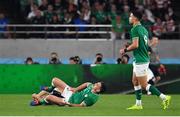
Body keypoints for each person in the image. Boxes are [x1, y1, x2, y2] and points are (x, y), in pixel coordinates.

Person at [120, 11, 171, 110]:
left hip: (140, 60)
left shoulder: (134, 29)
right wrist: (131, 45)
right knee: (135, 81)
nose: (129, 17)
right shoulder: (144, 29)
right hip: (140, 58)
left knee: (144, 84)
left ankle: (164, 97)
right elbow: (143, 45)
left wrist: (125, 50)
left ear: (135, 18)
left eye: (131, 16)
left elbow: (136, 45)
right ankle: (138, 104)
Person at [30, 77, 106, 107]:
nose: (95, 84)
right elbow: (86, 84)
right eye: (97, 83)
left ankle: (40, 101)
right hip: (71, 93)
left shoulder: (92, 98)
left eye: (97, 85)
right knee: (55, 80)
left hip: (68, 100)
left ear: (98, 90)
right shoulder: (91, 86)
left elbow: (80, 106)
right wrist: (75, 89)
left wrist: (69, 103)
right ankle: (48, 91)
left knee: (48, 96)